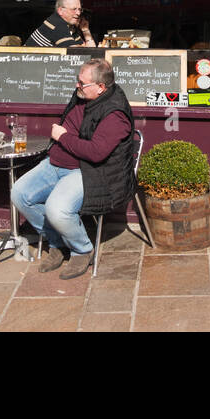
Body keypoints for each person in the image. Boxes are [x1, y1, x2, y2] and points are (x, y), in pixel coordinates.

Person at [10, 58, 133, 279]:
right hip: (56, 162)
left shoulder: (115, 114)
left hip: (87, 170)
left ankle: (82, 249)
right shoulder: (83, 95)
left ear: (101, 87)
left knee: (57, 209)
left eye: (82, 83)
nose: (77, 86)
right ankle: (57, 242)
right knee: (19, 193)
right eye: (78, 80)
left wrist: (63, 137)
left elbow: (96, 152)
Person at [27, 0, 95, 48]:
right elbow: (76, 53)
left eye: (79, 9)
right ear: (60, 11)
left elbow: (89, 51)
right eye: (74, 9)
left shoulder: (69, 26)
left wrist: (85, 30)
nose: (78, 13)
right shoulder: (56, 24)